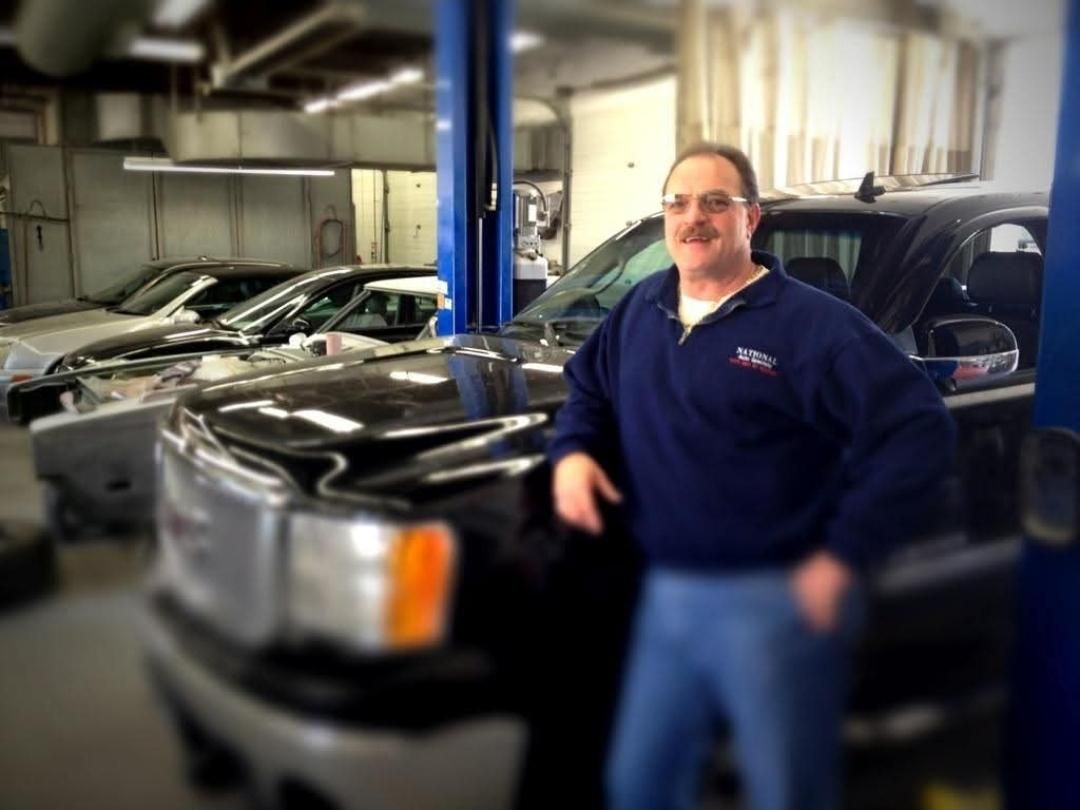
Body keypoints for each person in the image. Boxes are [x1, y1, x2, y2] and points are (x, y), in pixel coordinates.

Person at [548, 142, 956, 810]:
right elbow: (587, 386)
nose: (694, 217)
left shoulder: (813, 328)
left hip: (775, 603)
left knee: (785, 792)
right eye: (678, 202)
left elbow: (917, 429)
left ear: (751, 219)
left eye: (716, 201)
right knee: (639, 785)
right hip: (668, 598)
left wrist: (844, 557)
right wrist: (571, 453)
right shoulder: (640, 310)